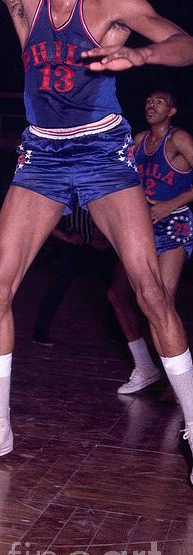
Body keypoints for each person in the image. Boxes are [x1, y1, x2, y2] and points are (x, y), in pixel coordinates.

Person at [0, 0, 193, 484]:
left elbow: (185, 43)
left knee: (149, 288)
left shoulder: (112, 3)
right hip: (43, 154)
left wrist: (139, 55)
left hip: (105, 152)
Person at [108, 90, 193, 394]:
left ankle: (181, 383)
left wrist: (169, 204)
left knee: (162, 301)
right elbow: (119, 176)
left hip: (174, 222)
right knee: (118, 295)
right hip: (140, 226)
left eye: (158, 101)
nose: (150, 104)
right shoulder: (139, 139)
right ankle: (144, 367)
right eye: (147, 101)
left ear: (172, 110)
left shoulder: (179, 139)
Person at [29, 204, 114, 347]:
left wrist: (105, 242)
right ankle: (40, 331)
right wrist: (66, 237)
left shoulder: (101, 191)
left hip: (97, 246)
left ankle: (117, 333)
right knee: (59, 286)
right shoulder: (70, 194)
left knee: (115, 289)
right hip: (75, 245)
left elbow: (112, 219)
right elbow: (43, 219)